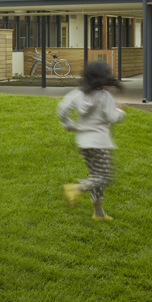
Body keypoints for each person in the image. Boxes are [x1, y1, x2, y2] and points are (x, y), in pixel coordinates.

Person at [59, 61, 127, 222]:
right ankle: (75, 188)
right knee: (104, 177)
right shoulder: (105, 96)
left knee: (95, 177)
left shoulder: (77, 93)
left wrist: (69, 124)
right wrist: (120, 111)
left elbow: (62, 109)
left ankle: (98, 213)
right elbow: (112, 117)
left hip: (83, 142)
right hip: (99, 143)